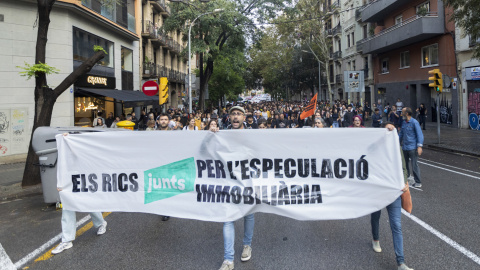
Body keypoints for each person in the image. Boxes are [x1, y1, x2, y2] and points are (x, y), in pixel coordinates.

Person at [52, 133, 107, 255]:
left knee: (89, 204)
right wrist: (61, 183)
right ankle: (67, 240)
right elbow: (62, 168)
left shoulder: (84, 153)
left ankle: (101, 223)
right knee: (67, 208)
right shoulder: (64, 155)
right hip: (70, 184)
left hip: (85, 181)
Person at [371, 122, 414, 270]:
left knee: (396, 224)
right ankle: (375, 239)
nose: (389, 133)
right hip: (377, 191)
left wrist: (405, 181)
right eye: (386, 131)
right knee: (375, 217)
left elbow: (403, 166)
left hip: (394, 191)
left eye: (391, 131)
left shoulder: (396, 148)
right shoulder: (374, 147)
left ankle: (400, 262)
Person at [219, 106, 255, 270]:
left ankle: (247, 245)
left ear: (244, 117)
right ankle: (228, 259)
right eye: (232, 114)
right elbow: (203, 150)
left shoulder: (252, 135)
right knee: (228, 218)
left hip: (248, 182)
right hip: (229, 183)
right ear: (229, 117)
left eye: (238, 114)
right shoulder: (221, 135)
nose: (235, 116)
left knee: (248, 215)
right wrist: (209, 134)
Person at [399, 107, 424, 188]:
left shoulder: (414, 122)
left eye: (402, 112)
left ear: (406, 113)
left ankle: (418, 182)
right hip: (405, 147)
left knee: (414, 165)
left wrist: (419, 146)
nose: (401, 114)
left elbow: (419, 135)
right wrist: (397, 143)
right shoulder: (404, 122)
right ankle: (407, 179)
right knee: (404, 165)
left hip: (412, 148)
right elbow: (401, 134)